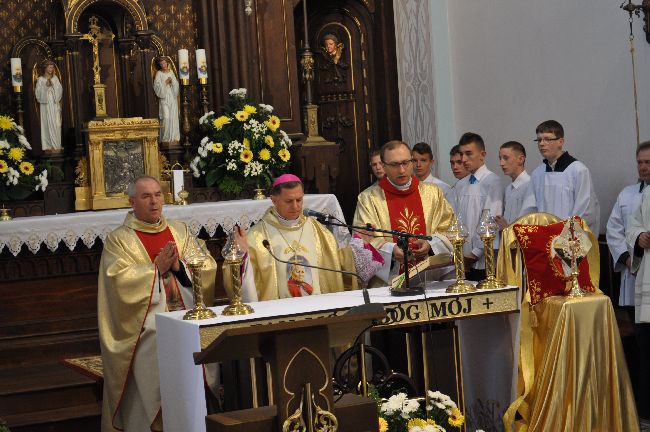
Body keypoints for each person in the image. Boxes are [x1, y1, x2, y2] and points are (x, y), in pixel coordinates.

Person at [98, 176, 217, 432]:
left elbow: (205, 265)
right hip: (146, 320)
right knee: (154, 337)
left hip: (185, 308)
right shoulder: (119, 239)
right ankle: (155, 422)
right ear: (132, 202)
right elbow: (117, 282)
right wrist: (155, 271)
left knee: (208, 330)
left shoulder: (180, 230)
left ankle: (199, 416)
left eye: (158, 195)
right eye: (146, 196)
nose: (154, 202)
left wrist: (179, 267)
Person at [228, 174, 384, 301]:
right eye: (289, 201)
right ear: (274, 200)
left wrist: (359, 246)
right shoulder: (257, 236)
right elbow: (241, 282)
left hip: (318, 309)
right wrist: (242, 256)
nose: (296, 206)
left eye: (299, 200)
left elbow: (337, 265)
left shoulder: (318, 230)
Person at [354, 140, 455, 286]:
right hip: (389, 284)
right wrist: (391, 251)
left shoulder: (433, 194)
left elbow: (451, 231)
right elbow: (361, 242)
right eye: (395, 165)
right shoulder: (369, 199)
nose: (402, 170)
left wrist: (431, 243)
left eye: (406, 163)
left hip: (430, 280)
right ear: (383, 165)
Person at [530, 120, 600, 234]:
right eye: (539, 140)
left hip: (569, 243)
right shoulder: (537, 174)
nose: (541, 143)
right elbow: (531, 210)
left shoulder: (578, 170)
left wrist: (563, 241)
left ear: (560, 141)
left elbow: (585, 211)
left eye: (547, 139)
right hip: (543, 241)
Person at [454, 132, 503, 280]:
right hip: (463, 259)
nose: (463, 159)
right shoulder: (461, 184)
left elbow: (490, 221)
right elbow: (457, 220)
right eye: (461, 154)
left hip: (482, 261)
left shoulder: (492, 181)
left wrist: (474, 254)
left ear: (482, 154)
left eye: (469, 154)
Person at [625, 164, 650, 426]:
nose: (644, 167)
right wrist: (640, 237)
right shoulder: (647, 194)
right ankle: (645, 415)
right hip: (647, 281)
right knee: (646, 352)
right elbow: (632, 226)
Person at [494, 141, 536, 230]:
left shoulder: (531, 186)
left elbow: (530, 223)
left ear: (521, 159)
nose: (501, 163)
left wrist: (507, 228)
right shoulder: (508, 189)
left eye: (506, 158)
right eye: (500, 158)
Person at [34, 60, 63, 152]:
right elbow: (38, 94)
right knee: (46, 124)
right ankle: (48, 146)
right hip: (45, 106)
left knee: (57, 124)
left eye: (52, 67)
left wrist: (53, 86)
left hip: (54, 105)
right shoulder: (40, 80)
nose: (51, 69)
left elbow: (60, 91)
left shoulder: (55, 79)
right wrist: (45, 87)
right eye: (49, 67)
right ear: (45, 68)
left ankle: (57, 145)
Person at [153, 57, 180, 145]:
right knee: (166, 117)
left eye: (164, 63)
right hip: (164, 98)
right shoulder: (159, 73)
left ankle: (174, 137)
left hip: (172, 97)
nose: (163, 65)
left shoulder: (171, 72)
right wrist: (165, 82)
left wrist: (172, 82)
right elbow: (156, 86)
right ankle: (165, 138)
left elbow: (176, 85)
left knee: (173, 117)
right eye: (161, 64)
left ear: (167, 63)